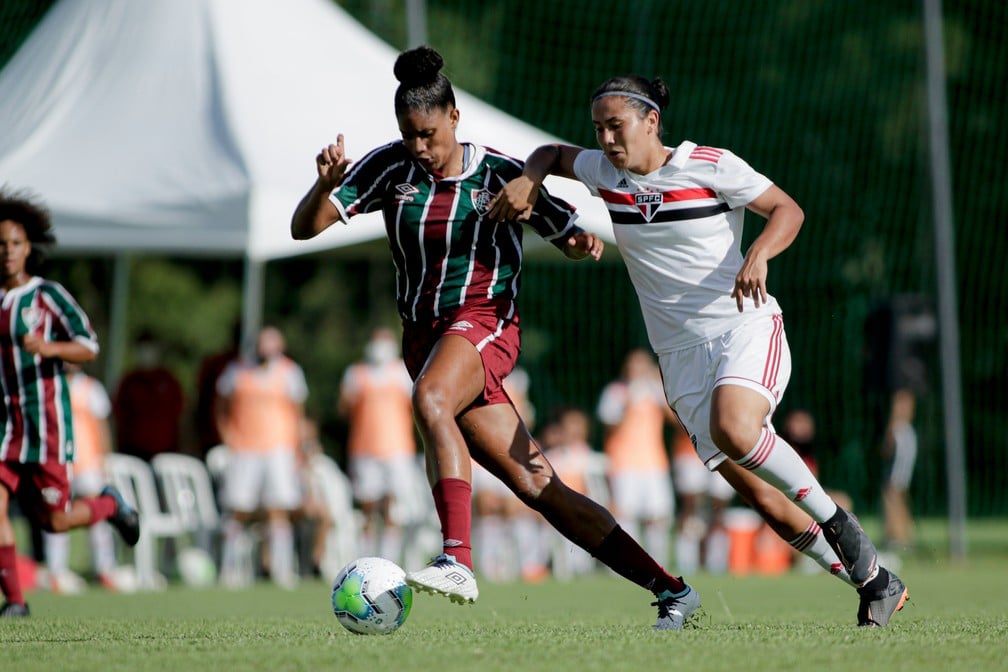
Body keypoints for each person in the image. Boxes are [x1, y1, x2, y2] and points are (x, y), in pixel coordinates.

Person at [291, 45, 701, 630]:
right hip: (425, 341)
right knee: (538, 485)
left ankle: (457, 559)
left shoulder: (500, 175)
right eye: (409, 135)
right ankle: (672, 590)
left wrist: (579, 242)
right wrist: (323, 186)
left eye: (428, 134)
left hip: (486, 324)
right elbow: (303, 229)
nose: (419, 147)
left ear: (454, 117)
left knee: (431, 398)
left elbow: (565, 230)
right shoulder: (389, 169)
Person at [489, 75, 909, 627]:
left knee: (736, 428)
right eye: (598, 129)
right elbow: (549, 152)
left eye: (616, 126)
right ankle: (875, 582)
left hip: (744, 328)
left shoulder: (710, 165)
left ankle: (840, 523)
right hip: (679, 360)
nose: (606, 139)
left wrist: (759, 253)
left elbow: (787, 210)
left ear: (651, 121)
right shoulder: (603, 171)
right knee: (765, 500)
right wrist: (530, 177)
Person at [0, 189, 139, 617]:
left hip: (45, 428)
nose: (7, 252)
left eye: (15, 243)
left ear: (29, 248)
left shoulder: (46, 296)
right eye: (0, 244)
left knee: (55, 521)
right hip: (4, 428)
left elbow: (88, 345)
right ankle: (16, 601)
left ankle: (109, 505)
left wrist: (48, 347)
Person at [215, 325, 308, 589]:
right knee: (238, 509)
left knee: (278, 508)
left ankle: (282, 570)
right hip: (244, 449)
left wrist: (299, 448)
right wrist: (227, 435)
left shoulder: (290, 372)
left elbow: (298, 412)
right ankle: (229, 570)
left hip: (279, 448)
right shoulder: (236, 371)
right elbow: (220, 406)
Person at [42, 363, 134, 593]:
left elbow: (102, 428)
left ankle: (104, 568)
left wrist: (105, 461)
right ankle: (56, 571)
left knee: (96, 518)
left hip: (88, 464)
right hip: (58, 465)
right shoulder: (49, 385)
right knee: (56, 516)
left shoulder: (92, 388)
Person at [337, 326, 418, 565]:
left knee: (394, 508)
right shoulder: (356, 373)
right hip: (364, 448)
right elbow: (343, 408)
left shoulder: (403, 372)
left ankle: (389, 560)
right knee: (368, 507)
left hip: (398, 448)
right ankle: (365, 560)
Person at [596, 349, 674, 565]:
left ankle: (658, 563)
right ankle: (628, 563)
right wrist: (628, 401)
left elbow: (675, 421)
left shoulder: (654, 392)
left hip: (654, 463)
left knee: (658, 516)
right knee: (625, 516)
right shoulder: (615, 392)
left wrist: (658, 388)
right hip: (623, 463)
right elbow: (609, 426)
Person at [112, 331, 185, 461]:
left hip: (166, 451)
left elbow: (180, 415)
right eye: (142, 350)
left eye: (150, 349)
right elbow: (118, 415)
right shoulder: (129, 382)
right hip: (133, 451)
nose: (146, 354)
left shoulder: (169, 381)